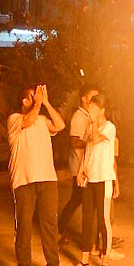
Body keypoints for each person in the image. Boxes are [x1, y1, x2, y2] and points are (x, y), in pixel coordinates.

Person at [7, 84, 68, 266]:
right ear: (25, 101)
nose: (38, 99)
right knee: (23, 225)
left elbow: (60, 125)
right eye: (34, 97)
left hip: (48, 179)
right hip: (24, 181)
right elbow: (28, 120)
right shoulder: (15, 119)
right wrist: (38, 104)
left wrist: (46, 103)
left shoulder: (42, 120)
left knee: (50, 225)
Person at [68, 94, 119, 266]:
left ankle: (105, 262)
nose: (90, 111)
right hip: (90, 179)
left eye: (93, 108)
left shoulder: (109, 127)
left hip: (104, 178)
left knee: (103, 221)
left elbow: (97, 140)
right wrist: (82, 170)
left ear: (102, 110)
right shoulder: (91, 127)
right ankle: (84, 260)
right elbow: (87, 150)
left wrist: (95, 120)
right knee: (87, 219)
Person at [57, 84, 99, 242]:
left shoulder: (87, 116)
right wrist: (93, 143)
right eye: (93, 98)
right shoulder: (79, 117)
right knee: (81, 201)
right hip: (79, 168)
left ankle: (60, 230)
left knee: (77, 200)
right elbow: (74, 142)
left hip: (84, 166)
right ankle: (91, 239)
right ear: (83, 98)